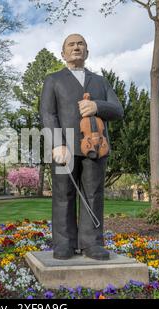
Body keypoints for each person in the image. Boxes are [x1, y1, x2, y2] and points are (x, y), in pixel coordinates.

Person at [40, 34, 123, 260]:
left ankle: (92, 244)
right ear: (63, 53)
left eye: (81, 44)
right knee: (62, 195)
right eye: (71, 44)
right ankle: (63, 244)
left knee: (93, 195)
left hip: (95, 146)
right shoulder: (53, 80)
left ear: (87, 52)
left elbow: (118, 110)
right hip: (63, 148)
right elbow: (47, 114)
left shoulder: (100, 81)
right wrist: (57, 144)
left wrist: (97, 105)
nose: (76, 47)